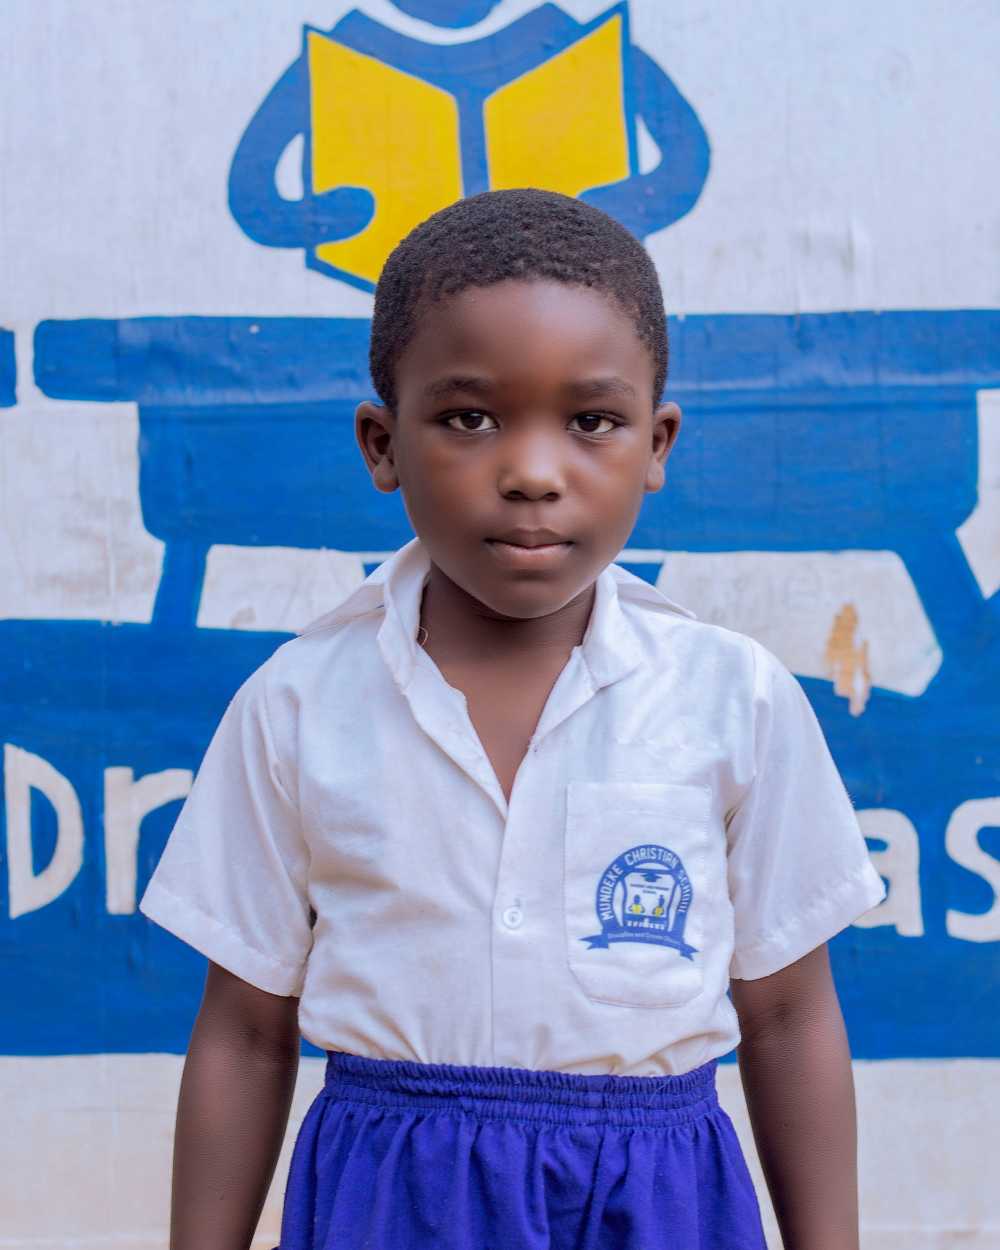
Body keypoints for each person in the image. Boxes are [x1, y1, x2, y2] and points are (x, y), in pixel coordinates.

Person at [140, 188, 885, 1250]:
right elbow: (248, 1032)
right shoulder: (296, 704)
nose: (533, 473)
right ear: (382, 443)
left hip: (655, 1203)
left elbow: (787, 1014)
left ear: (657, 443)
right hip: (390, 1201)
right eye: (469, 418)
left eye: (591, 422)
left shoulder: (736, 697)